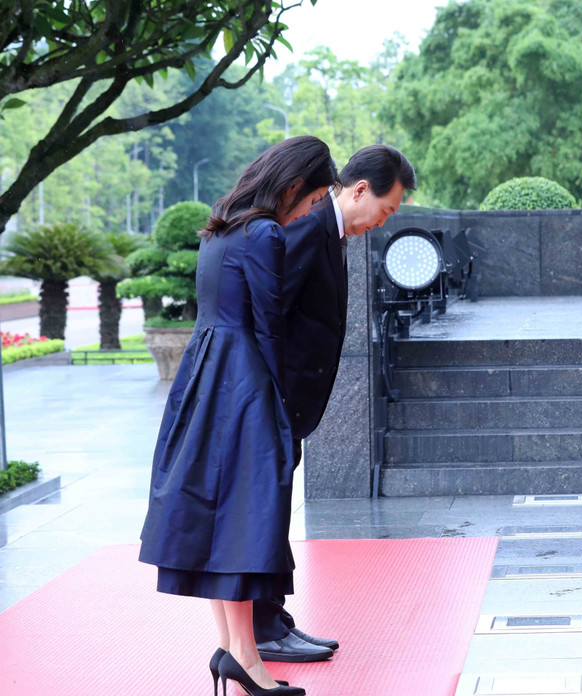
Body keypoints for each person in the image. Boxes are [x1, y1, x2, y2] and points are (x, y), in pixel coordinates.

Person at [139, 136, 339, 695]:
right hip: (245, 381)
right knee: (245, 521)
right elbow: (269, 325)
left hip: (205, 377)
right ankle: (245, 659)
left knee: (220, 519)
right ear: (295, 185)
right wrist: (280, 405)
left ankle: (234, 651)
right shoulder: (266, 233)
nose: (311, 212)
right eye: (316, 197)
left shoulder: (219, 229)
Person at [252, 145, 417, 662]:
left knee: (277, 509)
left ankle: (274, 618)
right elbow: (268, 315)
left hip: (290, 402)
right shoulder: (307, 226)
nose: (382, 221)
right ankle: (261, 628)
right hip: (272, 399)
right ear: (360, 189)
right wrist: (271, 397)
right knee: (266, 511)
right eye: (385, 210)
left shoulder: (333, 229)